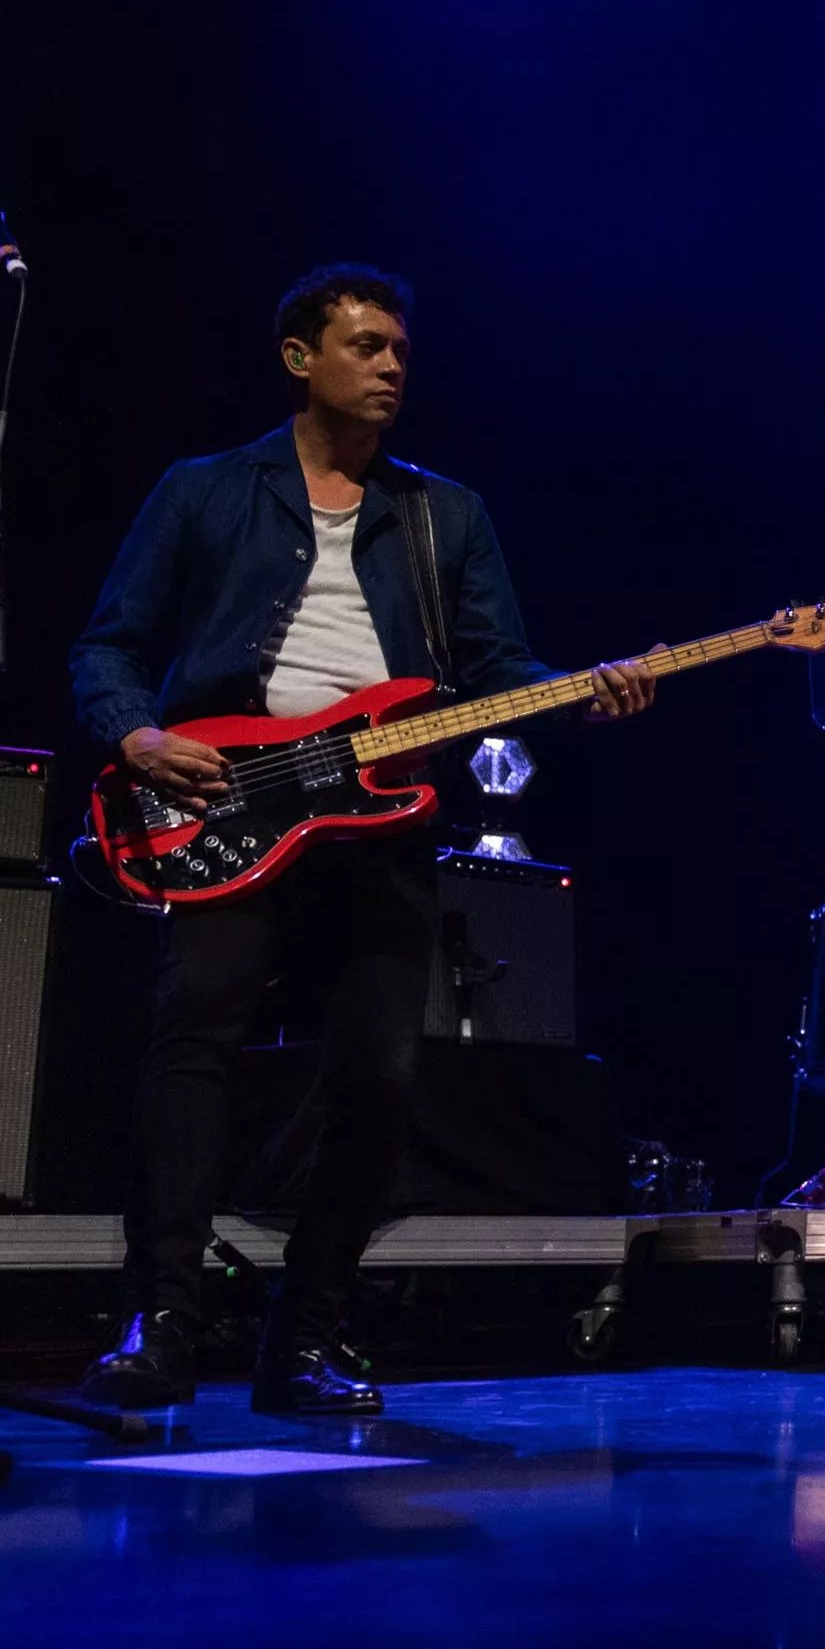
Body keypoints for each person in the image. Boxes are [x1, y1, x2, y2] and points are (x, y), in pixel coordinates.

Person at [69, 264, 661, 1415]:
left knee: (382, 1081)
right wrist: (137, 737)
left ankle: (307, 1335)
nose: (393, 366)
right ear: (302, 357)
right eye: (368, 346)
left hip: (377, 819)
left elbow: (497, 673)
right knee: (193, 1047)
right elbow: (109, 645)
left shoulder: (447, 514)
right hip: (226, 806)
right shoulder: (205, 491)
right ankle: (163, 1325)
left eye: (401, 350)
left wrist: (581, 694)